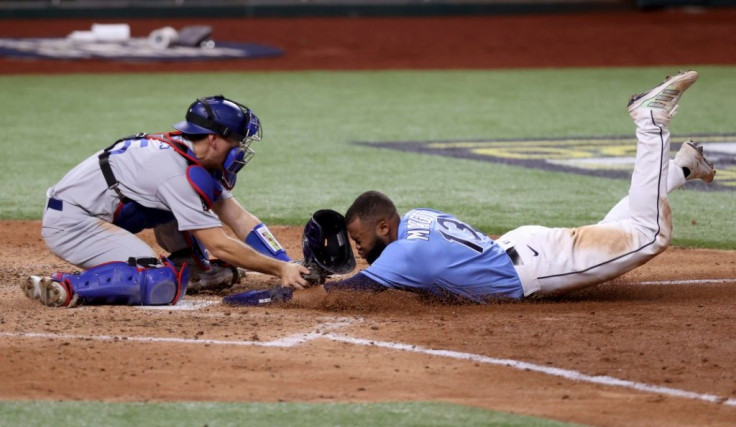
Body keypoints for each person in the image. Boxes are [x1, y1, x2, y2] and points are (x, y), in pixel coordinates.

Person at [224, 70, 716, 307]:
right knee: (621, 228)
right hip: (524, 249)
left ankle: (651, 124)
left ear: (382, 226)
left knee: (647, 234)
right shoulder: (416, 215)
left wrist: (276, 290)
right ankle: (681, 169)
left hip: (537, 263)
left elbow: (343, 297)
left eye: (360, 240)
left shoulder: (402, 257)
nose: (359, 248)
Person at [23, 95, 309, 307]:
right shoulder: (174, 173)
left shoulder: (190, 156)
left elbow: (240, 218)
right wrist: (279, 270)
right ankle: (66, 287)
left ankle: (194, 266)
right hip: (73, 224)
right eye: (237, 141)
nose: (241, 149)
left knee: (181, 211)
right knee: (160, 281)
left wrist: (287, 263)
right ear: (214, 140)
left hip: (93, 213)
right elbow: (218, 243)